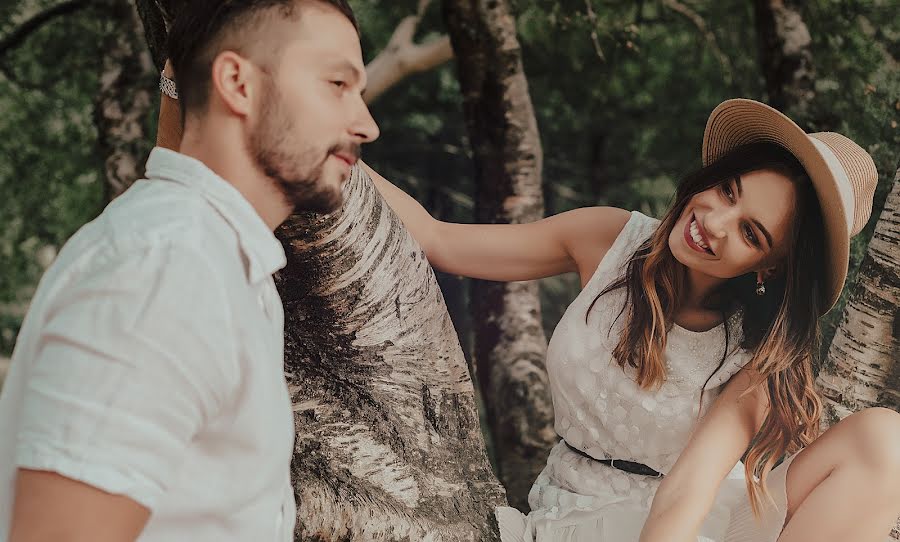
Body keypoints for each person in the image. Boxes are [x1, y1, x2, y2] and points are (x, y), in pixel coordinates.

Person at [365, 98, 900, 541]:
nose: (712, 222)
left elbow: (688, 491)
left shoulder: (757, 353)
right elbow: (438, 239)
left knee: (886, 439)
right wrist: (323, 140)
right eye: (727, 191)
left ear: (771, 266)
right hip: (573, 511)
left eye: (750, 233)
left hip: (691, 525)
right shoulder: (609, 238)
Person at [0, 1, 378, 540]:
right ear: (237, 83)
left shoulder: (217, 258)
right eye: (338, 84)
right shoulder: (164, 269)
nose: (366, 124)